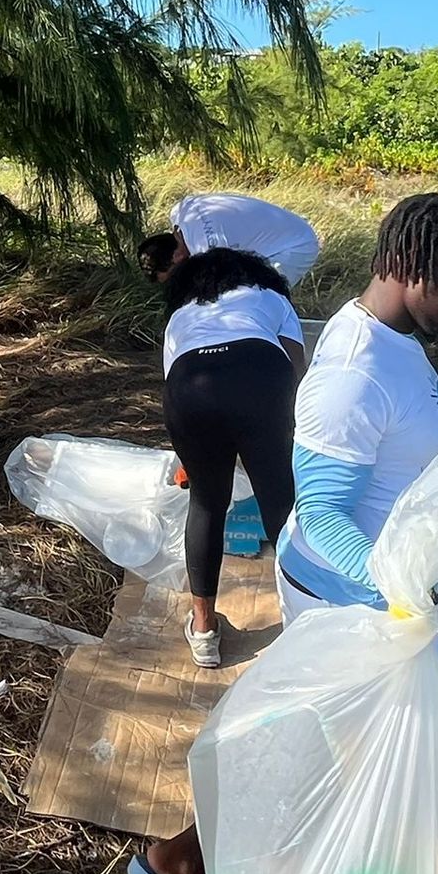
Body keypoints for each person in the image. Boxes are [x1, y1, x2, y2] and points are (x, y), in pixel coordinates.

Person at [129, 192, 438, 874]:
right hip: (348, 599)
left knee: (334, 752)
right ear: (405, 261)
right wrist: (395, 590)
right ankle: (177, 865)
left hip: (370, 597)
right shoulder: (356, 371)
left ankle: (268, 867)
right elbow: (322, 514)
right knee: (311, 752)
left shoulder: (389, 344)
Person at [161, 246, 307, 668]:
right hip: (261, 376)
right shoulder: (270, 297)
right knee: (280, 500)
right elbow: (296, 371)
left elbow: (174, 381)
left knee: (207, 502)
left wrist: (195, 453)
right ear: (251, 273)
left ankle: (204, 630)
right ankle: (303, 618)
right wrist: (273, 432)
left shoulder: (180, 316)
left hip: (190, 386)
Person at [138, 192, 321, 287]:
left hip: (295, 245)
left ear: (177, 257)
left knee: (263, 296)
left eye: (173, 275)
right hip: (280, 228)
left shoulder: (209, 250)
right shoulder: (180, 210)